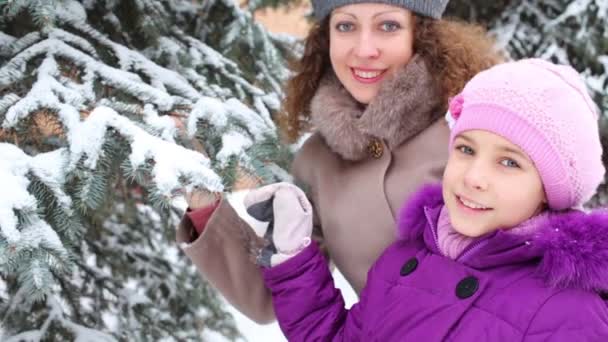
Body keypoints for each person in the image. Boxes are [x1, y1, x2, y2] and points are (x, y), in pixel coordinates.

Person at [177, 0, 502, 323]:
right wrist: (202, 200)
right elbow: (275, 294)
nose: (364, 49)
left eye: (388, 26)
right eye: (346, 26)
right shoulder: (317, 162)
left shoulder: (478, 126)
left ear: (422, 34)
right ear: (326, 38)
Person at [246, 59, 608, 340]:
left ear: (549, 190)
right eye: (466, 149)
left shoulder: (570, 312)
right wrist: (293, 256)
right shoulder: (406, 256)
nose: (473, 177)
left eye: (509, 162)